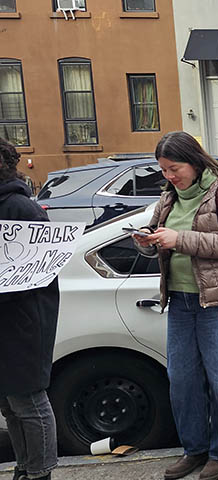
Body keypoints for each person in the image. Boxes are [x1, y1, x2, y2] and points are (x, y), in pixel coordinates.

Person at [132, 132, 218, 480]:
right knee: (182, 381)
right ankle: (194, 449)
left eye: (174, 168)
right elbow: (160, 237)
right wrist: (147, 240)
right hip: (179, 300)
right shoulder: (169, 197)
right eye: (163, 170)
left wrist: (179, 239)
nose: (169, 176)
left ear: (195, 161)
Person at [0, 138, 59, 480]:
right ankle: (24, 467)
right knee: (9, 402)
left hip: (23, 320)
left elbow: (38, 270)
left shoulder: (21, 208)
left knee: (28, 400)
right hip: (8, 318)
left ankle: (40, 472)